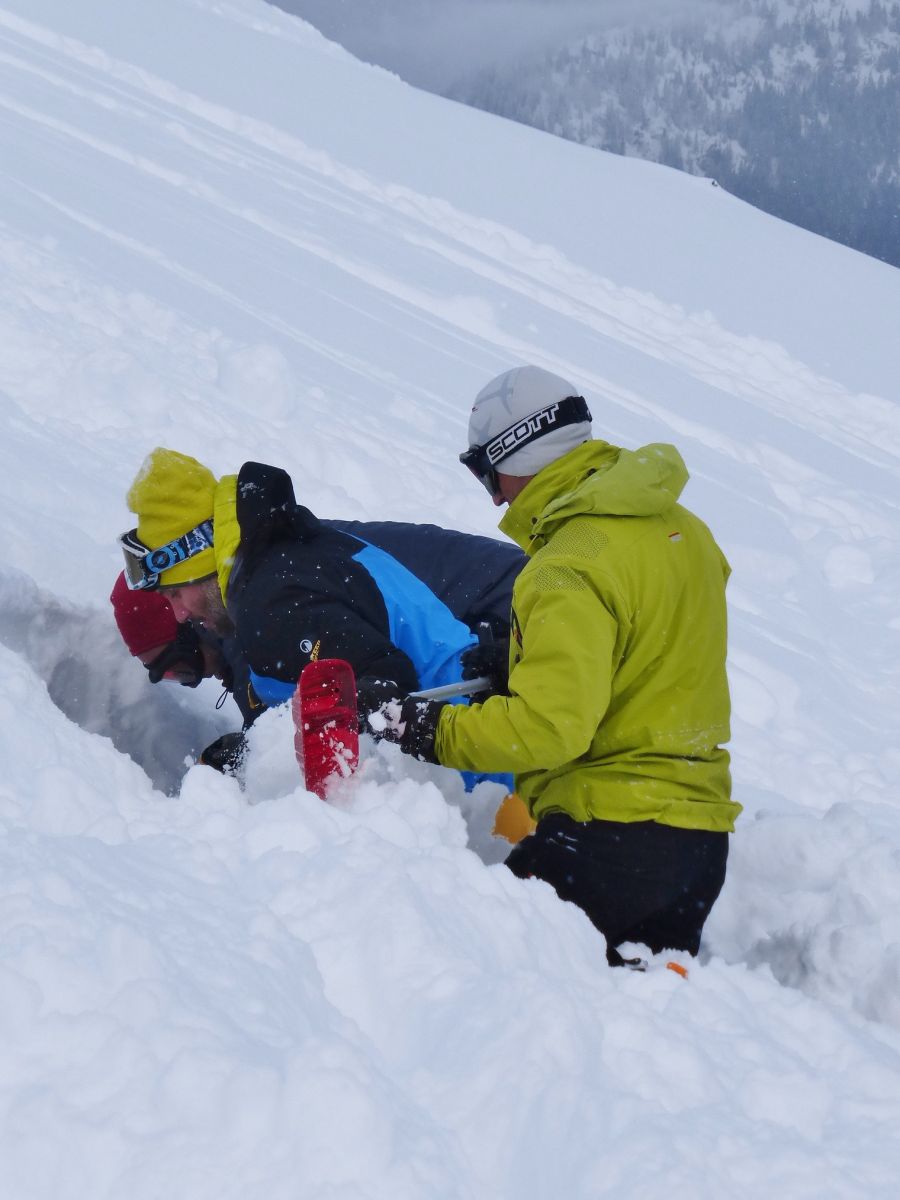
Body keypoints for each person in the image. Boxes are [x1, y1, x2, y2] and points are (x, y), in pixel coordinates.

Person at [360, 364, 741, 965]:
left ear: (516, 456)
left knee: (481, 978)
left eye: (484, 470)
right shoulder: (684, 531)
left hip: (606, 835)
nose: (491, 495)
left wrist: (426, 730)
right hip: (697, 842)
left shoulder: (567, 565)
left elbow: (550, 728)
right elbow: (652, 651)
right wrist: (527, 659)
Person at [119, 448, 524, 749]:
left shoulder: (268, 603)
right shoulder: (286, 552)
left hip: (482, 754)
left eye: (175, 593)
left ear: (200, 558)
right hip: (496, 713)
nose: (180, 613)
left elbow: (384, 684)